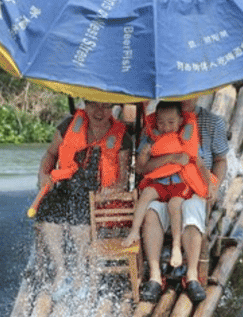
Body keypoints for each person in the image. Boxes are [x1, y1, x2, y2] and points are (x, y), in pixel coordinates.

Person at [32, 100, 132, 294]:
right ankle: (61, 271)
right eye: (94, 105)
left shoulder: (123, 138)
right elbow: (51, 155)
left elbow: (122, 179)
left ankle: (79, 271)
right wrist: (44, 175)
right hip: (66, 185)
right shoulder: (69, 125)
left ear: (113, 109)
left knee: (80, 219)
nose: (99, 111)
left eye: (105, 106)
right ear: (84, 105)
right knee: (47, 213)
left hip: (96, 193)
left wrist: (108, 192)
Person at [136, 97, 229, 304]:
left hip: (193, 189)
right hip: (162, 187)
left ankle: (192, 276)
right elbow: (141, 168)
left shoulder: (213, 122)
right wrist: (169, 158)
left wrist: (212, 188)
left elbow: (221, 161)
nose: (186, 97)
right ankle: (154, 276)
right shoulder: (154, 123)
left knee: (193, 207)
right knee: (151, 210)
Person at [122, 102, 210, 272]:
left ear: (179, 122)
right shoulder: (151, 137)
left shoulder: (186, 137)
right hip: (160, 183)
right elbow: (140, 167)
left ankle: (176, 246)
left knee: (174, 205)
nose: (166, 127)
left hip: (179, 184)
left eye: (171, 123)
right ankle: (134, 231)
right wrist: (145, 153)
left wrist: (210, 187)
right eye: (161, 123)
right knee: (146, 193)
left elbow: (200, 163)